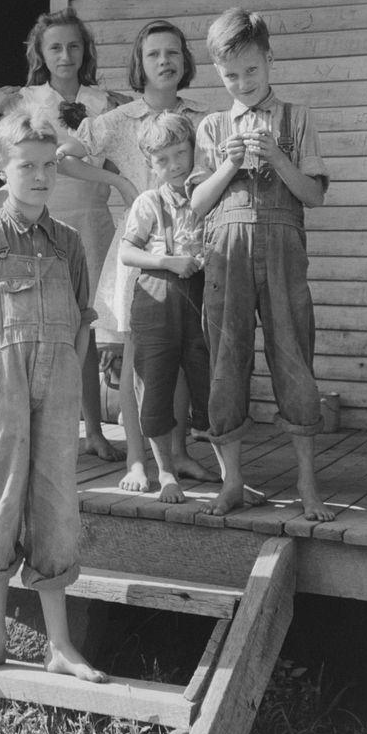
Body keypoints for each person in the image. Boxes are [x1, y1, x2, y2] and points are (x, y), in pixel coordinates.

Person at [0, 111, 105, 683]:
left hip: (56, 391)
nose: (39, 176)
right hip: (0, 390)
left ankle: (60, 646)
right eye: (26, 165)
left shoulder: (70, 243)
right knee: (0, 499)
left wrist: (72, 366)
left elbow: (83, 317)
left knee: (56, 503)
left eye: (48, 165)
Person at [56, 19, 219, 492]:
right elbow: (65, 155)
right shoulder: (118, 120)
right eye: (153, 54)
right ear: (139, 65)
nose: (164, 61)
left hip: (188, 255)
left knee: (183, 352)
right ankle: (135, 458)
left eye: (172, 53)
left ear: (184, 61)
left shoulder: (202, 120)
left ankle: (180, 453)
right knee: (136, 361)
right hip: (140, 254)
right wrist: (120, 184)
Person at [188, 8, 334, 521]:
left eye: (252, 70)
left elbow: (312, 197)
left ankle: (307, 484)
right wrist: (229, 163)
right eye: (231, 75)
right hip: (226, 256)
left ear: (269, 60)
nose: (244, 83)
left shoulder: (297, 118)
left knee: (294, 358)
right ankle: (231, 481)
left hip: (283, 254)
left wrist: (278, 157)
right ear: (217, 74)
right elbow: (197, 205)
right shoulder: (210, 126)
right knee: (226, 363)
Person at [0, 8, 130, 462]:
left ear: (85, 51)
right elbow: (8, 155)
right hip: (40, 220)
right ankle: (41, 429)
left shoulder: (107, 103)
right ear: (40, 54)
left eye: (73, 46)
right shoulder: (24, 99)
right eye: (55, 47)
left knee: (83, 325)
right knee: (40, 325)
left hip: (91, 220)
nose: (65, 55)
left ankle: (94, 430)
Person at [120, 113, 212, 503]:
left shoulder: (210, 194)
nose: (174, 165)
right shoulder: (148, 202)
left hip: (201, 295)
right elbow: (127, 252)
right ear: (150, 164)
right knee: (155, 383)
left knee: (205, 377)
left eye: (180, 153)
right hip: (157, 296)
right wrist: (169, 262)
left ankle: (221, 468)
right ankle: (165, 471)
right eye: (162, 160)